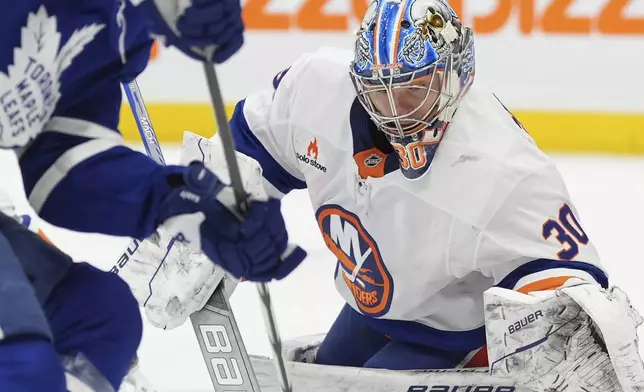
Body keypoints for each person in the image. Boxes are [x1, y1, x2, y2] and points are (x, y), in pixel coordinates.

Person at [130, 0, 644, 390]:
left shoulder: (502, 170)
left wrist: (557, 336)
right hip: (368, 309)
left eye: (413, 89)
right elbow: (251, 142)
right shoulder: (316, 89)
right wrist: (204, 213)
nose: (396, 112)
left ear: (455, 76)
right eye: (381, 90)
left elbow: (567, 281)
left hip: (457, 334)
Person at [0, 0, 305, 390]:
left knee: (97, 316)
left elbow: (62, 166)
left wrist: (183, 203)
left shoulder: (114, 29)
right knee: (22, 351)